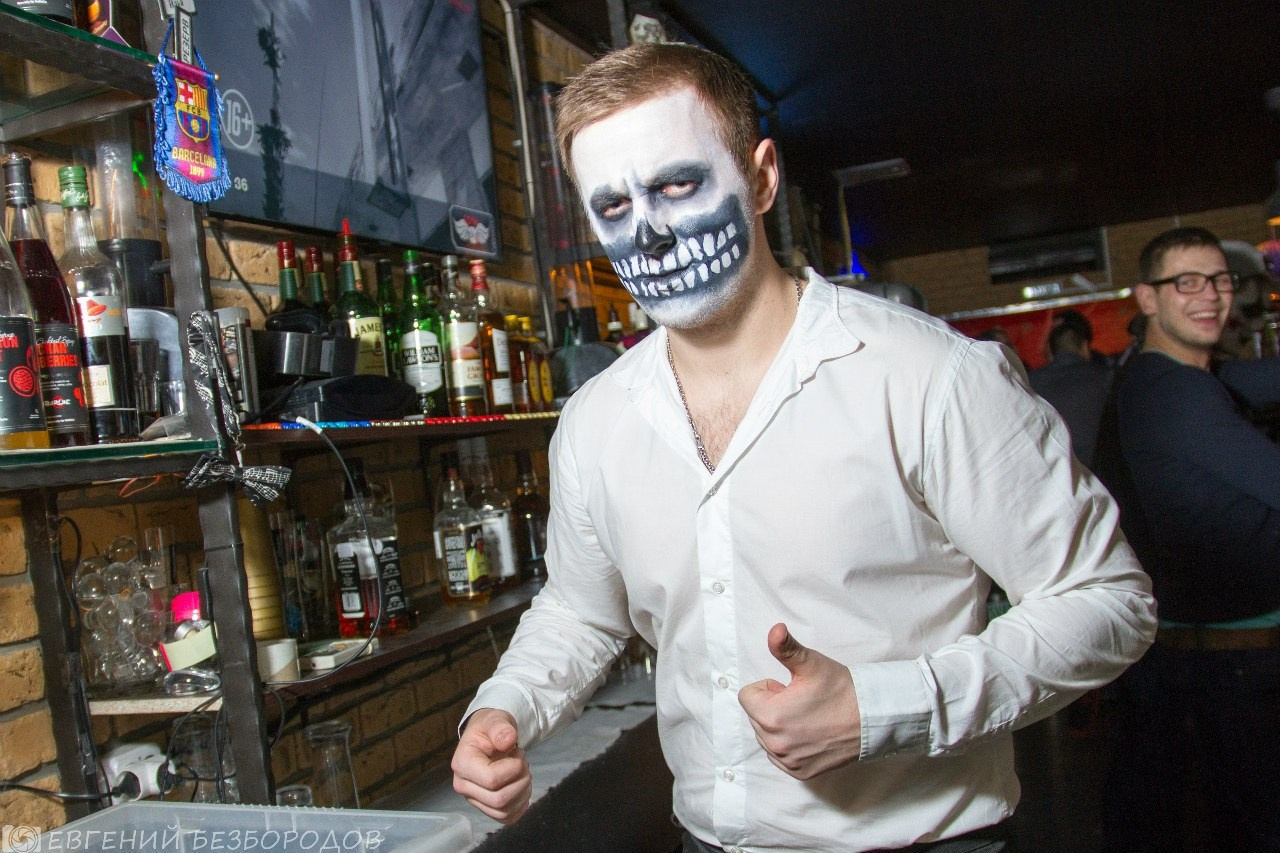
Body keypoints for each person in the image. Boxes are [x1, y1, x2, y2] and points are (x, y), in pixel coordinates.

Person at [451, 42, 1156, 853]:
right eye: (612, 206)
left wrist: (885, 709)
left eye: (678, 185)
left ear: (760, 179)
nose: (648, 234)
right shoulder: (595, 422)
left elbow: (1108, 600)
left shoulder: (928, 376)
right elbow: (582, 609)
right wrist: (507, 705)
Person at [1097, 226, 1280, 853]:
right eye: (1188, 282)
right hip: (1231, 659)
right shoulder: (1176, 394)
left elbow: (1255, 380)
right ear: (1148, 298)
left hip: (1202, 652)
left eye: (1220, 280)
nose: (1211, 295)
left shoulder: (1169, 378)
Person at [1028, 310, 1114, 467]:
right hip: (1102, 468)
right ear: (1084, 346)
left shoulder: (1031, 383)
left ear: (1052, 350)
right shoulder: (1107, 376)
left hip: (1055, 468)